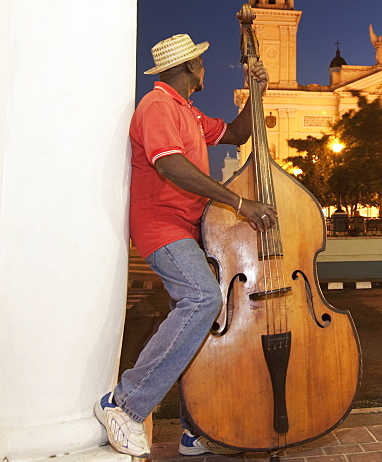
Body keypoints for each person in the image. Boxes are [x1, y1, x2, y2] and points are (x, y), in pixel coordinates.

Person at [94, 33, 277, 457]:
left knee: (209, 323)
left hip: (191, 230)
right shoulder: (157, 106)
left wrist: (257, 92)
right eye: (201, 63)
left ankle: (198, 426)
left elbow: (235, 133)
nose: (204, 69)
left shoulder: (187, 112)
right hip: (162, 228)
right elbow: (169, 165)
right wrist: (237, 201)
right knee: (200, 300)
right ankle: (123, 403)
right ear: (191, 68)